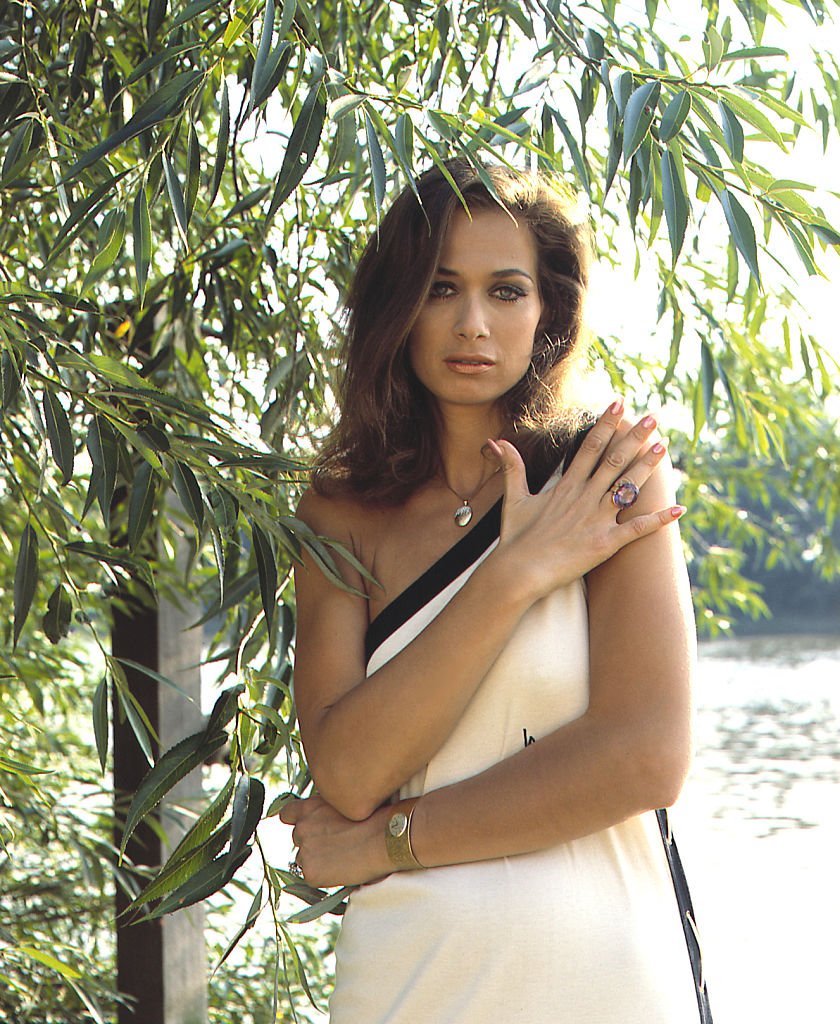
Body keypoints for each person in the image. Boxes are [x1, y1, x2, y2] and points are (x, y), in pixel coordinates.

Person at [280, 159, 713, 1023]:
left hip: (605, 985)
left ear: (548, 309)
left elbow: (643, 756)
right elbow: (352, 769)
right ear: (397, 307)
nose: (471, 323)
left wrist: (386, 844)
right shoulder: (341, 510)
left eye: (506, 291)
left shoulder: (608, 475)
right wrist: (510, 578)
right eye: (440, 289)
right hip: (408, 985)